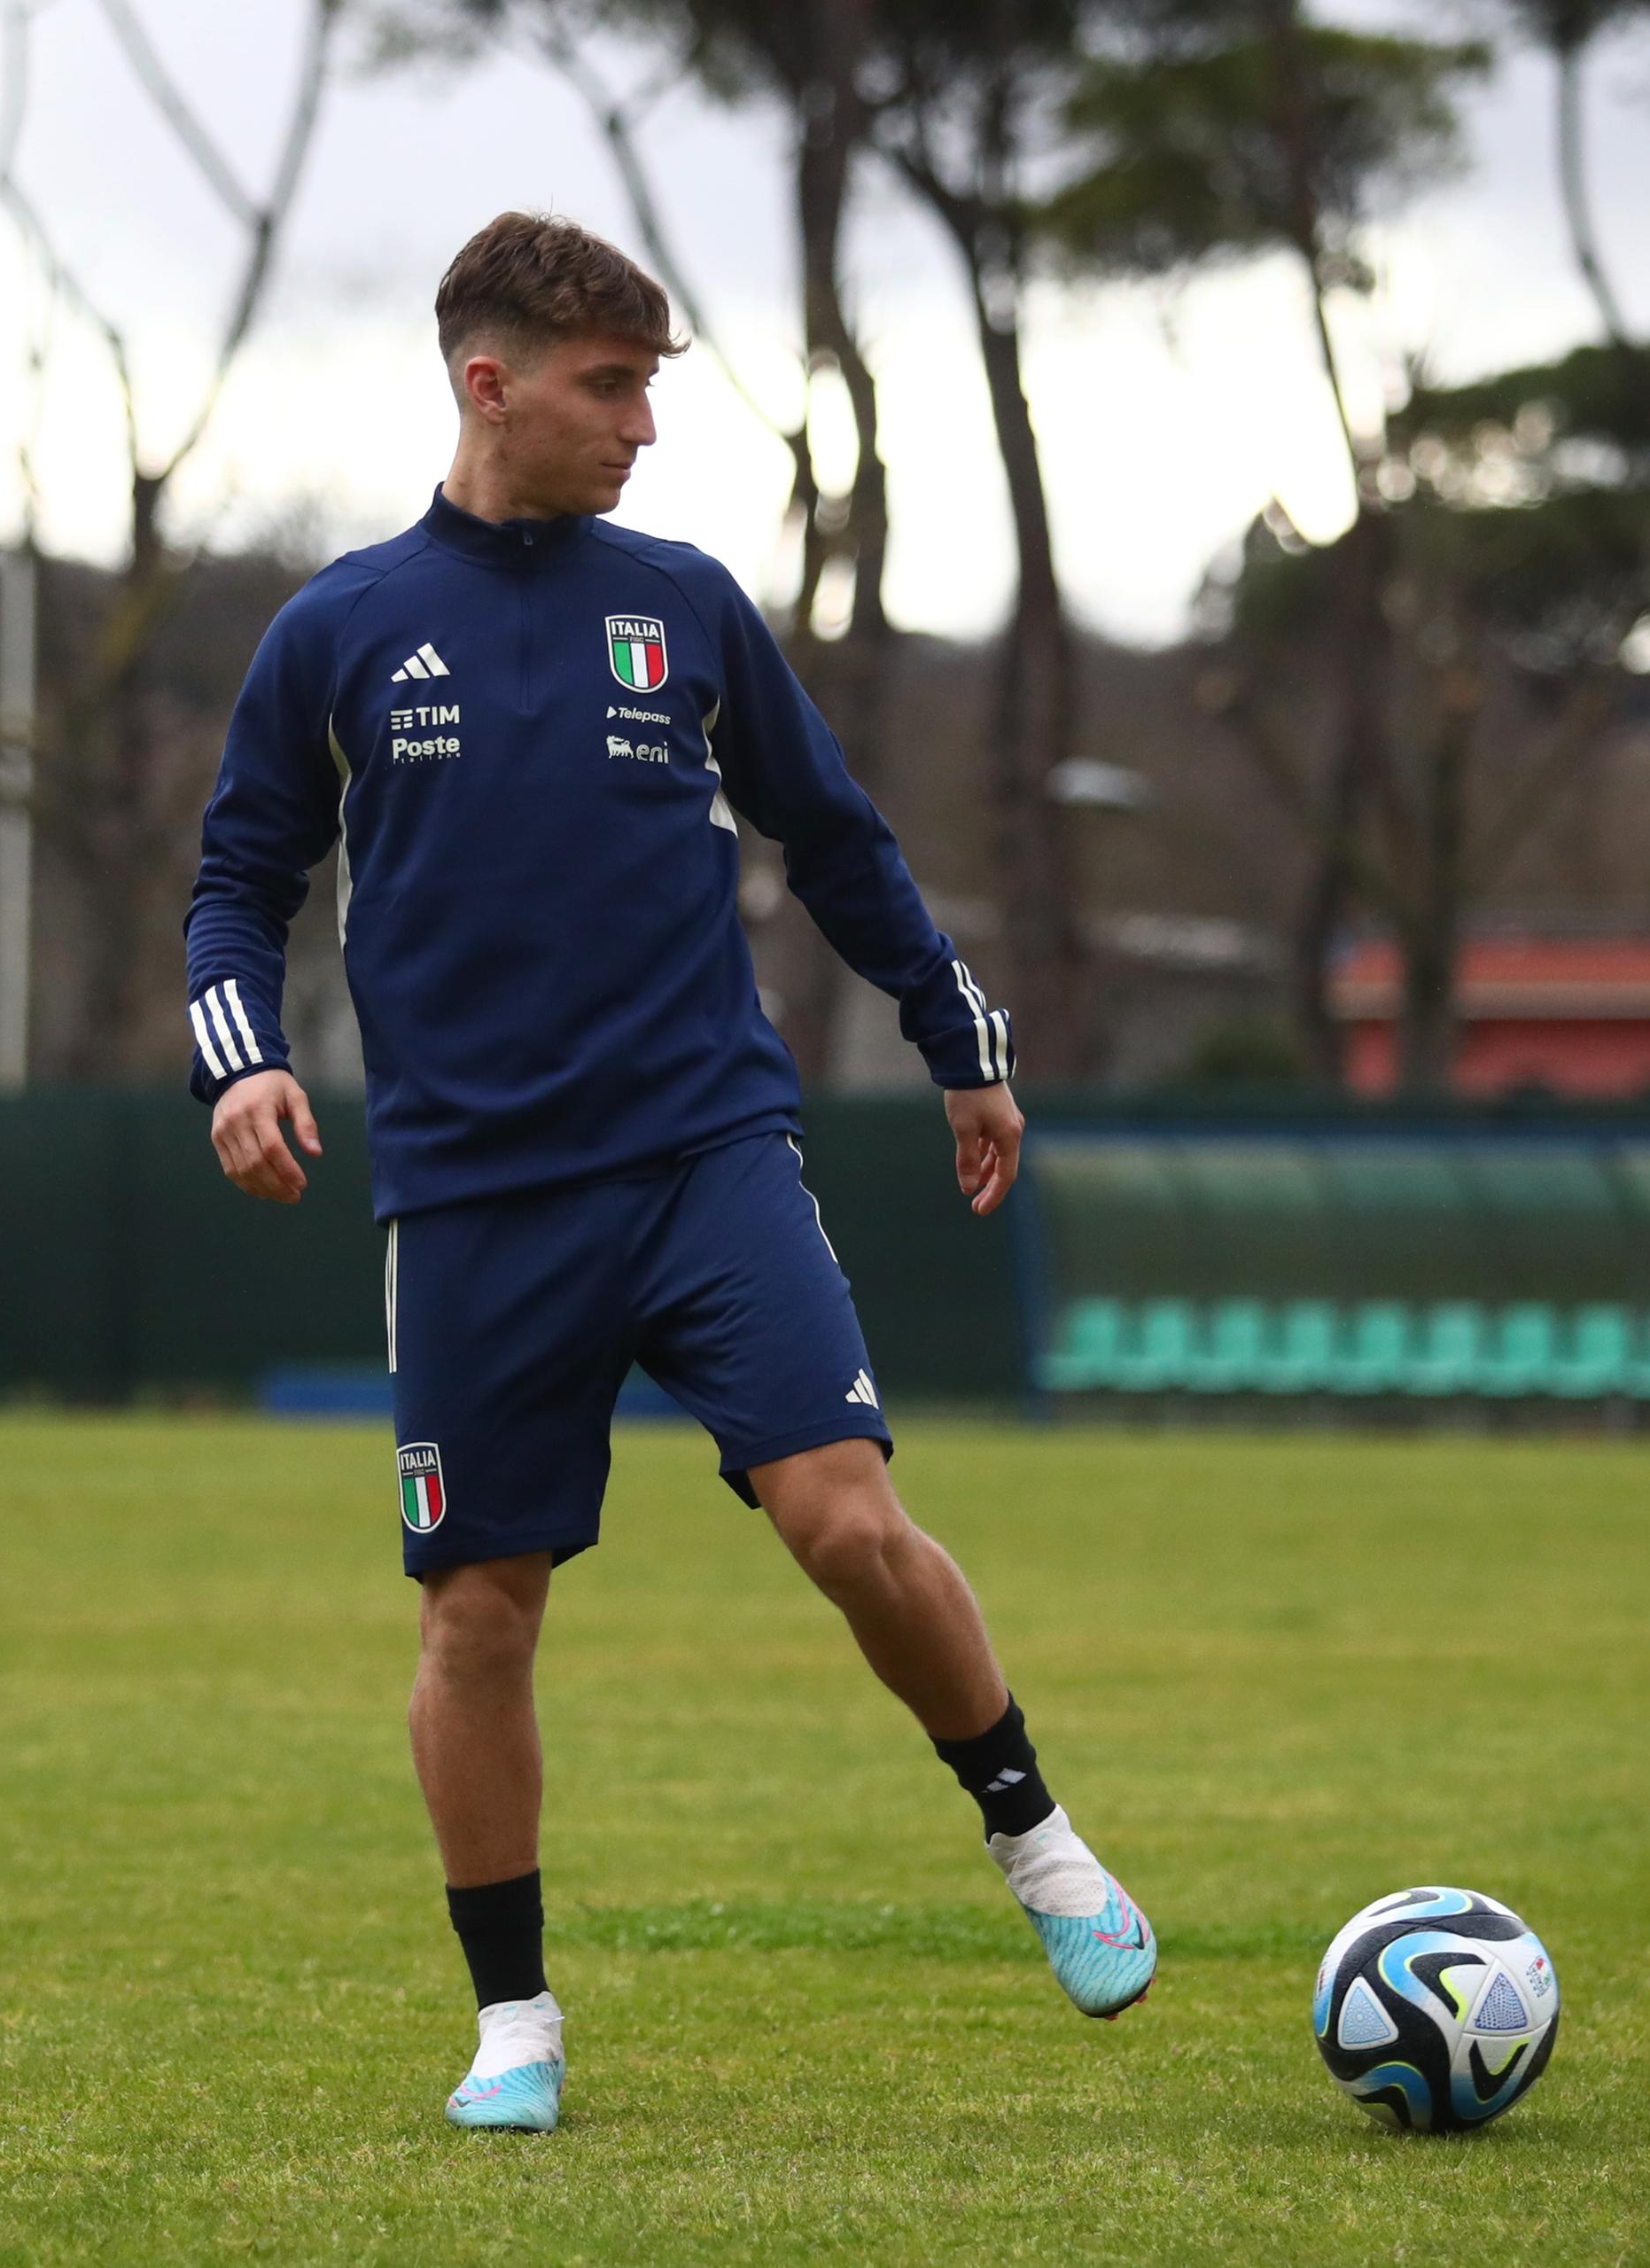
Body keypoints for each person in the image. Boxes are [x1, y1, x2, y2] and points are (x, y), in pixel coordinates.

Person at [183, 214, 1148, 2137]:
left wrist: (964, 1040)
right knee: (481, 1611)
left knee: (848, 1518)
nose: (640, 427)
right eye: (611, 389)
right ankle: (516, 2025)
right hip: (469, 1198)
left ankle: (1035, 1834)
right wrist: (245, 1058)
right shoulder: (343, 629)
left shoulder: (688, 605)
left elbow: (844, 839)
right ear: (493, 384)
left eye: (648, 388)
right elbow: (234, 882)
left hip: (707, 1149)